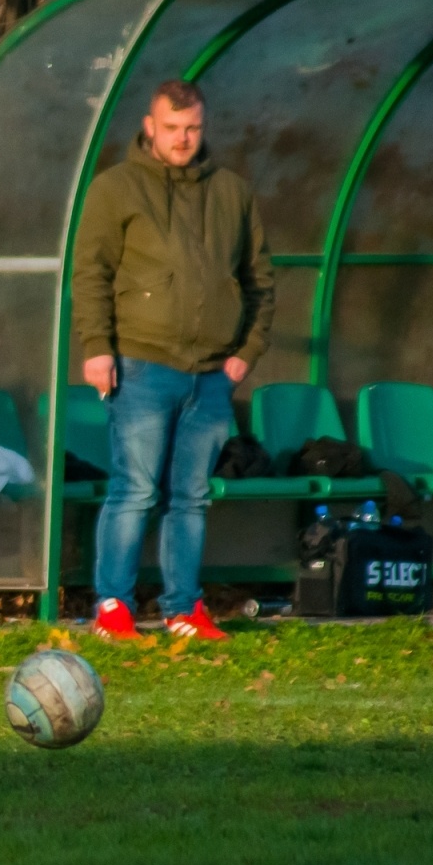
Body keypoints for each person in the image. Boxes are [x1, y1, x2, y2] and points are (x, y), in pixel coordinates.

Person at [71, 79, 274, 642]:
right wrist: (97, 347)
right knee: (134, 490)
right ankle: (113, 606)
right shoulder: (116, 188)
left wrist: (246, 353)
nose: (183, 138)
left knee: (191, 497)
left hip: (211, 375)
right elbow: (91, 273)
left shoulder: (232, 192)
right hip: (141, 364)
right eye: (171, 128)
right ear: (149, 127)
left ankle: (183, 608)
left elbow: (260, 280)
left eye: (192, 128)